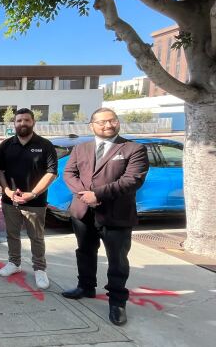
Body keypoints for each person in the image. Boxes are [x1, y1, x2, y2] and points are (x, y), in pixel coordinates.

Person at [61, 108, 149, 326]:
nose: (108, 125)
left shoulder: (133, 149)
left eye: (112, 121)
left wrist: (97, 195)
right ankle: (86, 286)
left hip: (116, 215)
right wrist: (84, 195)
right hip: (83, 213)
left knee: (117, 260)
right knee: (85, 251)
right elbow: (69, 173)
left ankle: (117, 302)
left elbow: (132, 180)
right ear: (92, 126)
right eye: (102, 122)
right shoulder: (81, 148)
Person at [0, 108, 57, 290]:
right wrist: (7, 191)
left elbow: (52, 173)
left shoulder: (45, 145)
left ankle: (40, 269)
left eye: (26, 120)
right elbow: (0, 172)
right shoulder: (5, 146)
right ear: (14, 124)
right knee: (12, 234)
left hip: (36, 202)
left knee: (36, 237)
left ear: (33, 122)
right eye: (19, 120)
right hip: (11, 201)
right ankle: (14, 263)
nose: (22, 123)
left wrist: (33, 193)